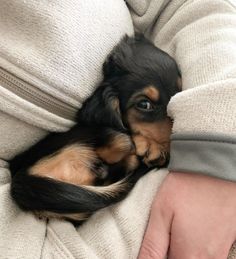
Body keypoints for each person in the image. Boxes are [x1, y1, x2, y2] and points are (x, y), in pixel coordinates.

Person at [0, 0, 235, 258]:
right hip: (90, 227)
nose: (172, 123)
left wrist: (219, 140)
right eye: (145, 105)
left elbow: (184, 5)